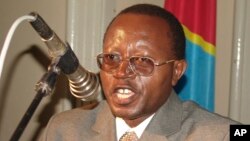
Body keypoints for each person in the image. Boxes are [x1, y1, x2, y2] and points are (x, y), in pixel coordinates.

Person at [40, 3, 239, 141]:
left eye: (143, 60)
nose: (121, 71)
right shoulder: (63, 130)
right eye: (112, 58)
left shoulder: (224, 134)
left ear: (176, 71)